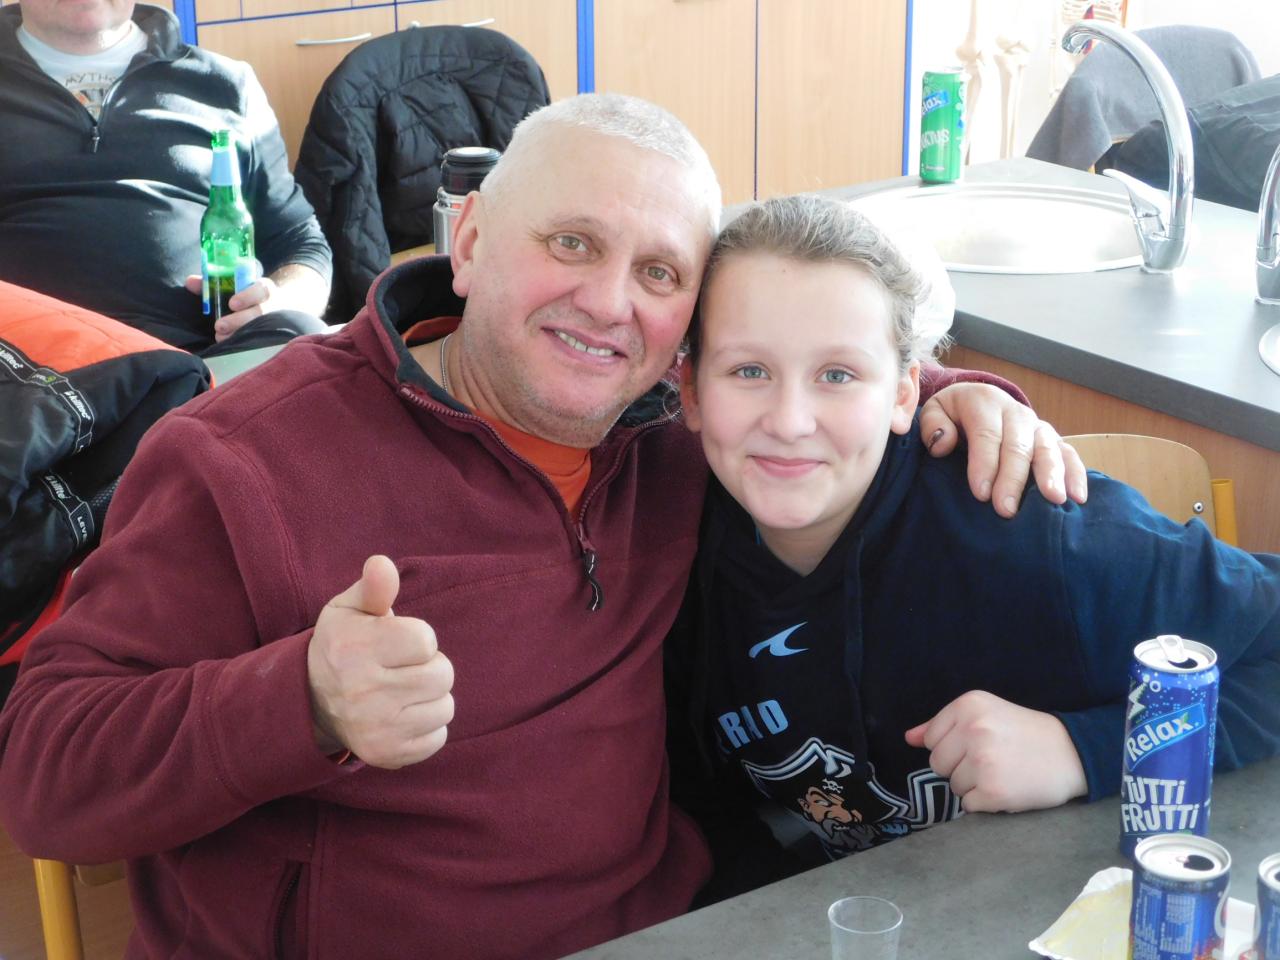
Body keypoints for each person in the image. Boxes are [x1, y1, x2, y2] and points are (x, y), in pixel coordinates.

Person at [0, 95, 1084, 960]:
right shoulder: (242, 460)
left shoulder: (681, 434)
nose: (610, 303)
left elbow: (816, 376)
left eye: (659, 273)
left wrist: (956, 394)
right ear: (470, 241)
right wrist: (301, 701)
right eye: (571, 242)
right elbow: (45, 775)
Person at [669, 194, 1280, 897]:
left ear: (906, 394)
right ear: (691, 389)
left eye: (838, 375)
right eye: (749, 370)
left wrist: (1085, 749)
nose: (789, 421)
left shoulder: (1034, 535)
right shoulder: (668, 547)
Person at [0, 0, 332, 355]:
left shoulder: (228, 85)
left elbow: (299, 241)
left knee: (306, 335)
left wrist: (279, 302)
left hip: (203, 362)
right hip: (31, 367)